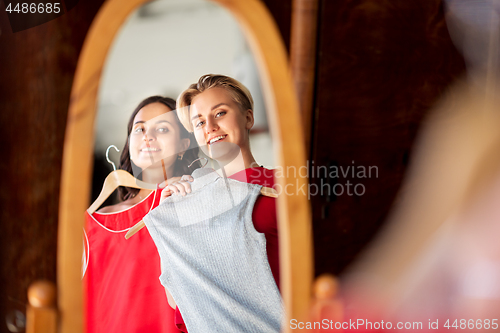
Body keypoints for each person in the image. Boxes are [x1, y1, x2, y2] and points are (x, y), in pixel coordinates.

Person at [161, 75, 280, 332]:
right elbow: (178, 299)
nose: (210, 127)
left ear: (248, 118)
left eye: (220, 113)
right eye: (200, 122)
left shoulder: (283, 185)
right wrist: (169, 224)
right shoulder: (189, 201)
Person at [83, 96, 200, 333]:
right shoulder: (86, 226)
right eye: (140, 128)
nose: (148, 136)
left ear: (183, 145)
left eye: (163, 128)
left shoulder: (193, 201)